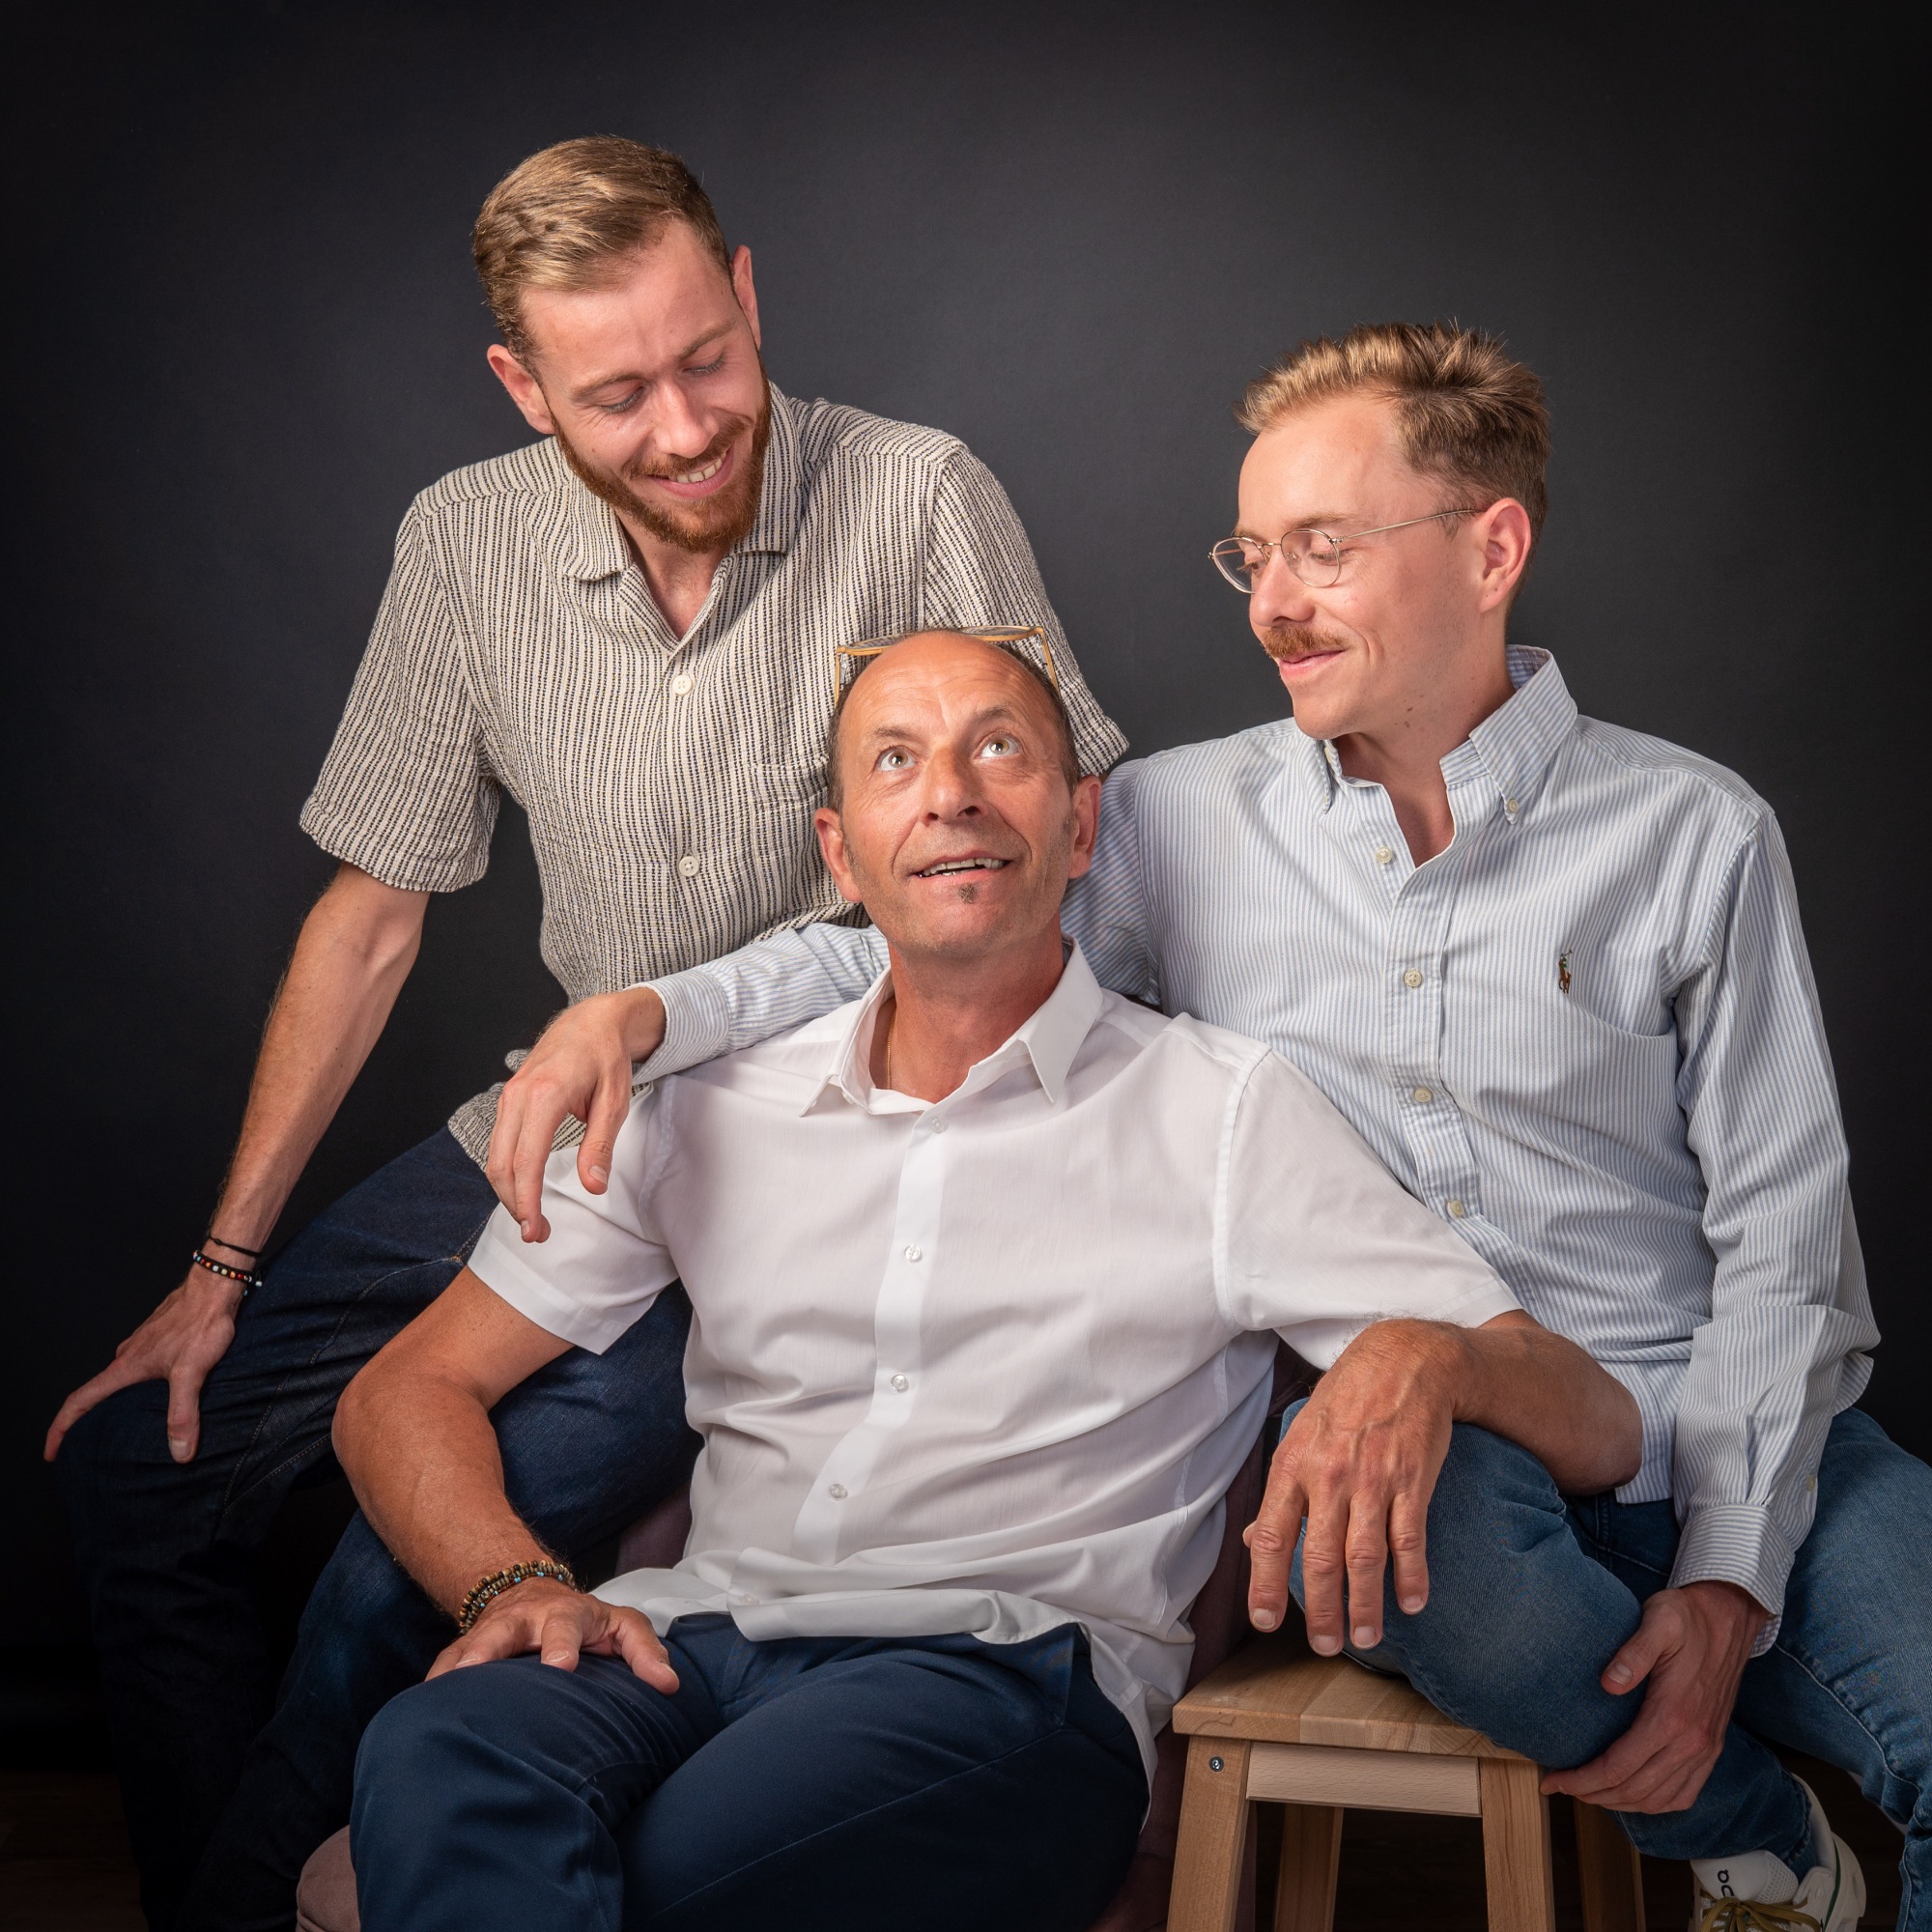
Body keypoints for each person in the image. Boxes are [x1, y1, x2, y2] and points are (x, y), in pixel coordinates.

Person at [504, 325, 1927, 1931]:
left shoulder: (1695, 832)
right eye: (1251, 555)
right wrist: (650, 1012)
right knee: (1446, 1583)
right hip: (1423, 1452)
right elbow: (915, 928)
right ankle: (1750, 1832)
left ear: (1491, 548)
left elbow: (1787, 1245)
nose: (1270, 603)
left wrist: (1731, 1574)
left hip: (1711, 1403)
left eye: (1323, 549)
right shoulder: (1176, 817)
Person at [45, 138, 1124, 1931]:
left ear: (750, 293)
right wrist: (223, 1261)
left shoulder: (917, 491)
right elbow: (376, 906)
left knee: (405, 1571)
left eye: (710, 356)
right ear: (521, 385)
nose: (690, 424)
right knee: (130, 1469)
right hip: (549, 1127)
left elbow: (1025, 851)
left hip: (803, 1157)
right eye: (617, 394)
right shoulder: (463, 541)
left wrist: (668, 1013)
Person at [332, 629, 1640, 1932]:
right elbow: (405, 1391)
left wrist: (1434, 1354)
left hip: (999, 1679)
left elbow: (1598, 1422)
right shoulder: (714, 1104)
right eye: (895, 761)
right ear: (840, 854)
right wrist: (516, 1588)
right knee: (436, 1751)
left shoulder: (1224, 1111)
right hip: (679, 1642)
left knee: (673, 1879)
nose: (950, 791)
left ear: (1080, 828)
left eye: (996, 749)